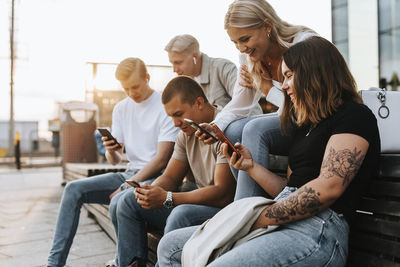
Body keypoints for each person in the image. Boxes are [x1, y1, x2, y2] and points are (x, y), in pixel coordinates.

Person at [157, 36, 381, 267]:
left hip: (318, 229)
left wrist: (256, 219)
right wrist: (251, 167)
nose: (283, 85)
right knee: (170, 246)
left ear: (314, 73)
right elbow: (289, 189)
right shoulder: (306, 125)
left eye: (289, 76)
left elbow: (328, 188)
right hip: (285, 220)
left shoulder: (355, 116)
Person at [47, 57, 179, 267]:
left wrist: (129, 183)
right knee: (73, 189)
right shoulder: (121, 108)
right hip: (129, 172)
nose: (131, 93)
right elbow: (115, 159)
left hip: (156, 177)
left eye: (135, 86)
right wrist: (111, 150)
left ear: (147, 78)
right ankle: (54, 263)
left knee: (120, 200)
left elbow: (161, 158)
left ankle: (127, 262)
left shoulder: (164, 105)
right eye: (126, 88)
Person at [108, 76, 236, 267]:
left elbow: (222, 193)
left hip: (223, 211)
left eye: (178, 114)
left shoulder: (224, 129)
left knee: (181, 213)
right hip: (195, 202)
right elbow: (170, 176)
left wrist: (168, 198)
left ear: (199, 103)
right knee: (127, 200)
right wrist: (150, 191)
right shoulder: (185, 134)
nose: (175, 123)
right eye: (171, 117)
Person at [197, 0, 317, 200]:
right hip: (288, 125)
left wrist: (266, 87)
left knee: (254, 128)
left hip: (313, 123)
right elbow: (240, 104)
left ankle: (245, 207)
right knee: (232, 130)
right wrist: (216, 127)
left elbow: (307, 106)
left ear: (267, 26)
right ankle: (253, 199)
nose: (241, 48)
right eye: (234, 42)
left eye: (244, 39)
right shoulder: (250, 55)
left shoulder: (304, 43)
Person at [165, 33, 262, 115]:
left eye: (178, 62)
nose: (174, 69)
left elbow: (250, 108)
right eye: (172, 63)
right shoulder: (186, 83)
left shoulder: (223, 68)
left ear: (194, 57)